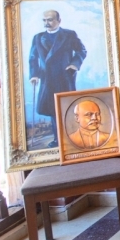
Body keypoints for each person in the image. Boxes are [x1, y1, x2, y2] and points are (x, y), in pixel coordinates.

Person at [29, 10, 86, 147]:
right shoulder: (38, 38)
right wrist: (34, 75)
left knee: (67, 108)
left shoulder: (69, 35)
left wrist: (74, 64)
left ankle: (73, 137)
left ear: (59, 21)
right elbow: (33, 58)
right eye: (44, 20)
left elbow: (81, 50)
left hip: (64, 78)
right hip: (47, 80)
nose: (46, 23)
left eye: (50, 20)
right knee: (53, 110)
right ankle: (58, 140)